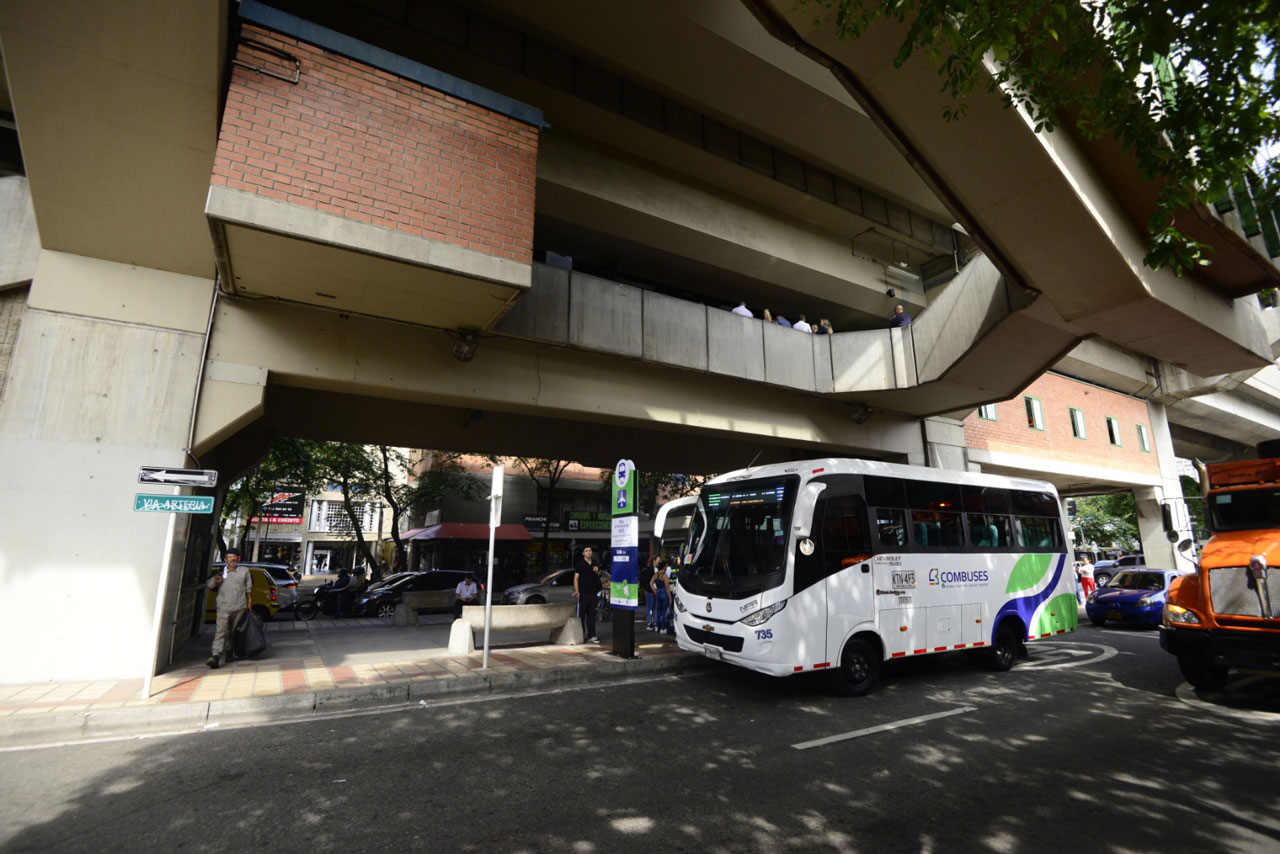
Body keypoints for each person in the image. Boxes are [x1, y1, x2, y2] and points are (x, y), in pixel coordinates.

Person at [208, 548, 253, 669]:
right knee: (221, 631)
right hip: (223, 607)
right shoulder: (219, 573)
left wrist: (249, 602)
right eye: (229, 557)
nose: (232, 559)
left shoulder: (244, 571)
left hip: (239, 607)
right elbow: (209, 585)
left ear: (238, 559)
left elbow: (248, 588)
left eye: (234, 557)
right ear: (225, 560)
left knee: (232, 632)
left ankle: (229, 652)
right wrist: (216, 582)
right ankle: (216, 655)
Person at [573, 546, 603, 643]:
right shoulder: (580, 564)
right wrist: (577, 590)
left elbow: (599, 574)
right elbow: (576, 578)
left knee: (592, 615)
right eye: (586, 551)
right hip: (583, 593)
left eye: (590, 550)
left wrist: (597, 571)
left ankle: (592, 635)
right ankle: (581, 635)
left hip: (593, 593)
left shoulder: (595, 562)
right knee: (581, 615)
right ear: (583, 553)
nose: (589, 552)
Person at [641, 555, 660, 630]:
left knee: (653, 607)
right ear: (654, 561)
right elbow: (651, 582)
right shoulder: (651, 570)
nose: (659, 561)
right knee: (651, 607)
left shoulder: (655, 569)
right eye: (658, 560)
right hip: (650, 590)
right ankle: (649, 623)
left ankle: (654, 623)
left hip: (652, 590)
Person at [651, 560, 671, 633]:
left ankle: (657, 627)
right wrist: (670, 598)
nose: (666, 567)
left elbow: (651, 583)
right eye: (666, 566)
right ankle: (663, 628)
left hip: (658, 593)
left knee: (658, 610)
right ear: (664, 567)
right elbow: (667, 587)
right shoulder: (665, 576)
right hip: (664, 593)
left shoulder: (656, 574)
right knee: (664, 610)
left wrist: (655, 590)